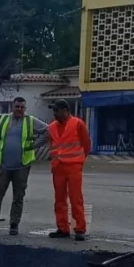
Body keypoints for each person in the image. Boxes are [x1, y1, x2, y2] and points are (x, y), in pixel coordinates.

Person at [0, 97, 49, 236]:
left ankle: (14, 225)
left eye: (22, 107)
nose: (20, 110)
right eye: (17, 107)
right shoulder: (4, 120)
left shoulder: (30, 120)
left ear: (25, 108)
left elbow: (47, 131)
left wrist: (34, 145)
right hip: (3, 166)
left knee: (18, 196)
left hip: (22, 166)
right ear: (13, 107)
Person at [47, 99, 91, 241]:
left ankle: (80, 229)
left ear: (65, 110)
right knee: (59, 199)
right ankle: (62, 228)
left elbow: (86, 144)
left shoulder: (78, 124)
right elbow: (52, 144)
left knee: (75, 198)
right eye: (54, 110)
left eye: (57, 111)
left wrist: (80, 161)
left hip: (73, 166)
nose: (54, 114)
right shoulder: (52, 127)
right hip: (58, 167)